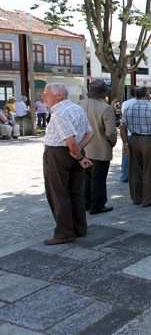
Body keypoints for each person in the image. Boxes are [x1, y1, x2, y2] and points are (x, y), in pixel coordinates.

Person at [42, 83, 94, 245]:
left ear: (58, 95)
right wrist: (80, 150)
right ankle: (79, 227)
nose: (44, 97)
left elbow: (70, 140)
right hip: (75, 152)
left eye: (46, 94)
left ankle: (65, 232)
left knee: (59, 194)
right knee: (76, 192)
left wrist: (78, 155)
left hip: (59, 154)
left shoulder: (59, 113)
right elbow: (90, 133)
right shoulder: (76, 108)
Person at [120, 86, 151, 207]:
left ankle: (137, 198)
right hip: (148, 140)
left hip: (133, 139)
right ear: (147, 95)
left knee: (134, 170)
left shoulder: (129, 108)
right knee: (150, 170)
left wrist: (125, 143)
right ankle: (148, 199)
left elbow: (122, 126)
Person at [79, 80, 118, 215]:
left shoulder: (81, 104)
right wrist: (111, 142)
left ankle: (86, 202)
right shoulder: (105, 108)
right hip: (100, 147)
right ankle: (97, 205)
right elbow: (111, 131)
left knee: (86, 177)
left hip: (84, 146)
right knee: (99, 178)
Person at [119, 88, 136, 183]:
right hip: (138, 134)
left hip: (127, 132)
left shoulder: (125, 104)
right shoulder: (142, 103)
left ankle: (125, 176)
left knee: (126, 156)